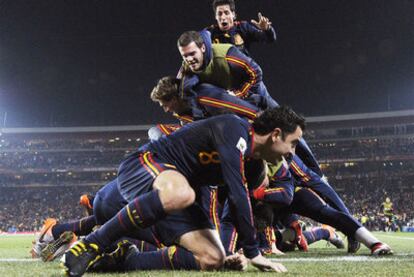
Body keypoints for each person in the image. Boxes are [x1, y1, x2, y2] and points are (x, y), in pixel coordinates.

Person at [61, 106, 302, 276]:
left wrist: (230, 251)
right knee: (182, 193)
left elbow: (234, 206)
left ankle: (125, 259)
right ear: (276, 134)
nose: (291, 152)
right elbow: (238, 196)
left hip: (177, 194)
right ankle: (92, 243)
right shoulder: (234, 127)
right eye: (293, 143)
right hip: (145, 164)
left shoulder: (252, 166)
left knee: (213, 258)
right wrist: (253, 251)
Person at [207, 0, 276, 57]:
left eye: (226, 13)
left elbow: (269, 39)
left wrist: (267, 29)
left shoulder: (243, 28)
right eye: (219, 14)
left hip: (242, 71)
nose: (223, 17)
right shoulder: (209, 33)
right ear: (215, 16)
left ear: (233, 15)